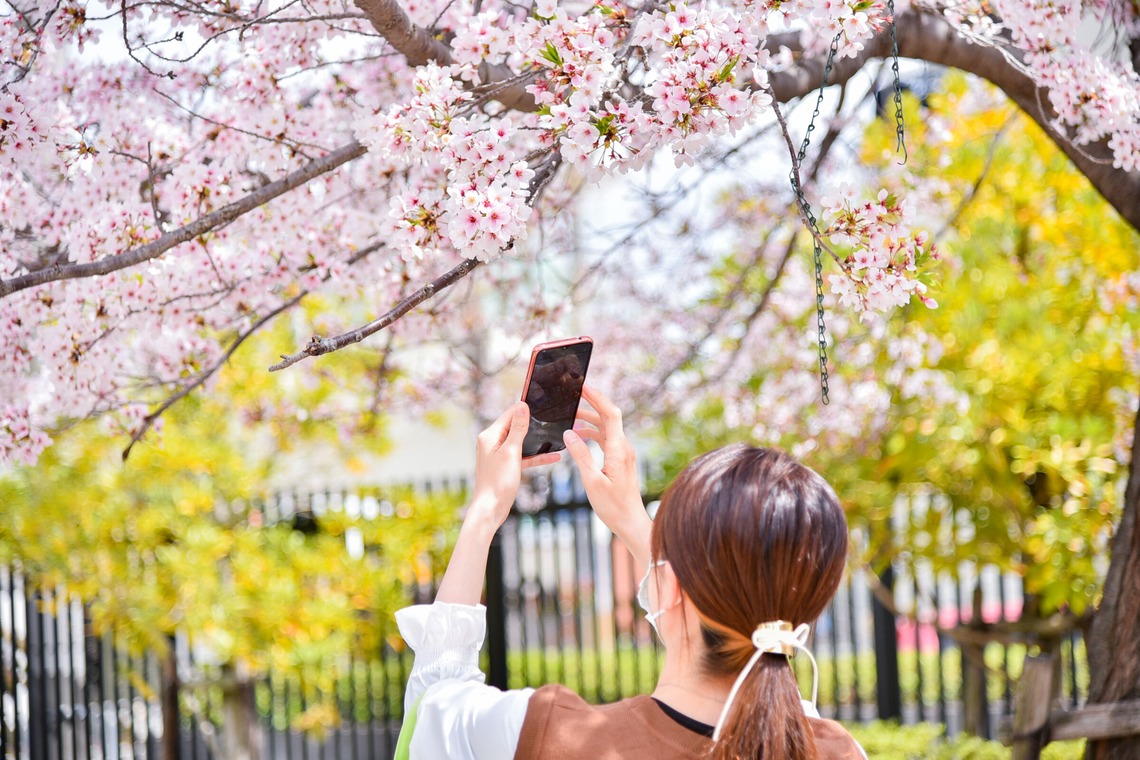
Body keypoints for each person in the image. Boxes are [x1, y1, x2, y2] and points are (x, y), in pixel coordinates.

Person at [394, 385, 866, 759]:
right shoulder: (836, 749)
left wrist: (485, 510)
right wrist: (638, 528)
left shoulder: (548, 734)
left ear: (671, 584)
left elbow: (430, 710)